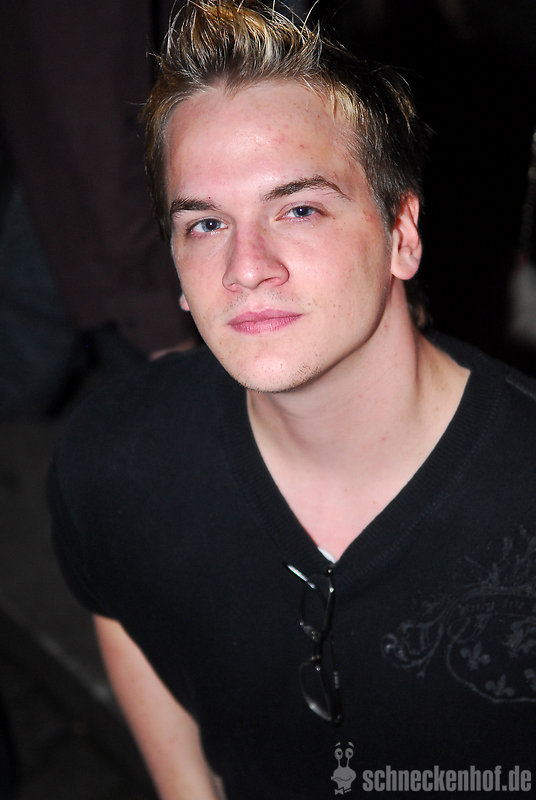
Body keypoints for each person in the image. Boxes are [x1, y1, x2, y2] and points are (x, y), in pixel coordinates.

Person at [48, 2, 536, 798]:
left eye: (299, 208)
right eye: (205, 224)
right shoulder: (116, 458)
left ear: (402, 234)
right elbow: (119, 598)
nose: (247, 267)